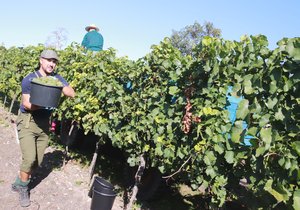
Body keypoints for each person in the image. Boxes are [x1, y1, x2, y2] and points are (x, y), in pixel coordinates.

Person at [11, 49, 75, 207]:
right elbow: (26, 103)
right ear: (41, 60)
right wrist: (46, 99)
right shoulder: (30, 79)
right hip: (28, 121)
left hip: (44, 124)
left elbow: (71, 93)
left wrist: (58, 85)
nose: (52, 64)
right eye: (49, 60)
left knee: (37, 161)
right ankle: (24, 189)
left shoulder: (56, 78)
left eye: (54, 61)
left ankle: (19, 182)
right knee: (29, 158)